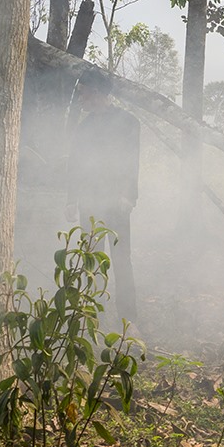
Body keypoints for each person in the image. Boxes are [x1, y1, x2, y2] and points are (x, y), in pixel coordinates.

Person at [69, 72, 141, 321]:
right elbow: (76, 165)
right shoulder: (84, 127)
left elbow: (132, 162)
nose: (80, 97)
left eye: (83, 91)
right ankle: (91, 317)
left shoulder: (128, 122)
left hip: (117, 203)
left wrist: (128, 195)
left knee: (122, 261)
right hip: (89, 203)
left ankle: (128, 320)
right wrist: (71, 199)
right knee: (91, 261)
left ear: (98, 93)